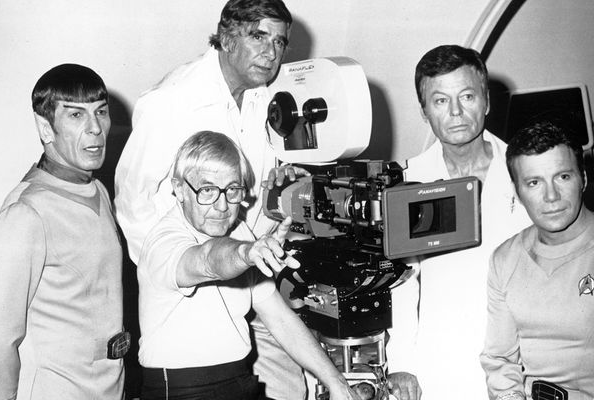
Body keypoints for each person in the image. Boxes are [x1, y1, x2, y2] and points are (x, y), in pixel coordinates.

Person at [114, 1, 306, 397]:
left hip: (254, 280)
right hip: (194, 288)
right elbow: (133, 201)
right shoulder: (171, 100)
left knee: (293, 389)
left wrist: (280, 188)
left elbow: (252, 199)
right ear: (226, 36)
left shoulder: (266, 100)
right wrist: (176, 275)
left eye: (279, 41)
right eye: (258, 36)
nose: (271, 53)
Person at [137, 131, 358, 400]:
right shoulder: (164, 241)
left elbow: (280, 319)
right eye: (207, 190)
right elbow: (208, 260)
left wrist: (336, 382)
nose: (221, 206)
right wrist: (246, 253)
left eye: (232, 190)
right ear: (180, 189)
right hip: (182, 389)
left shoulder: (239, 230)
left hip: (238, 381)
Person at [386, 45, 532, 400]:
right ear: (424, 111)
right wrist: (402, 362)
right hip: (440, 364)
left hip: (520, 362)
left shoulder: (526, 173)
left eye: (466, 96)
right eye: (439, 101)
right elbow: (402, 284)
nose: (455, 112)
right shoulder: (408, 181)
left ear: (486, 101)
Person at [0, 64, 127, 399]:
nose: (96, 128)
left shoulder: (98, 191)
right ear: (45, 127)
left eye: (101, 112)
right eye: (76, 115)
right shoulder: (26, 214)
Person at [480, 121, 594, 400]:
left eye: (563, 177)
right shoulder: (504, 260)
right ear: (517, 192)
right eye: (534, 183)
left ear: (583, 178)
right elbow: (499, 360)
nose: (551, 196)